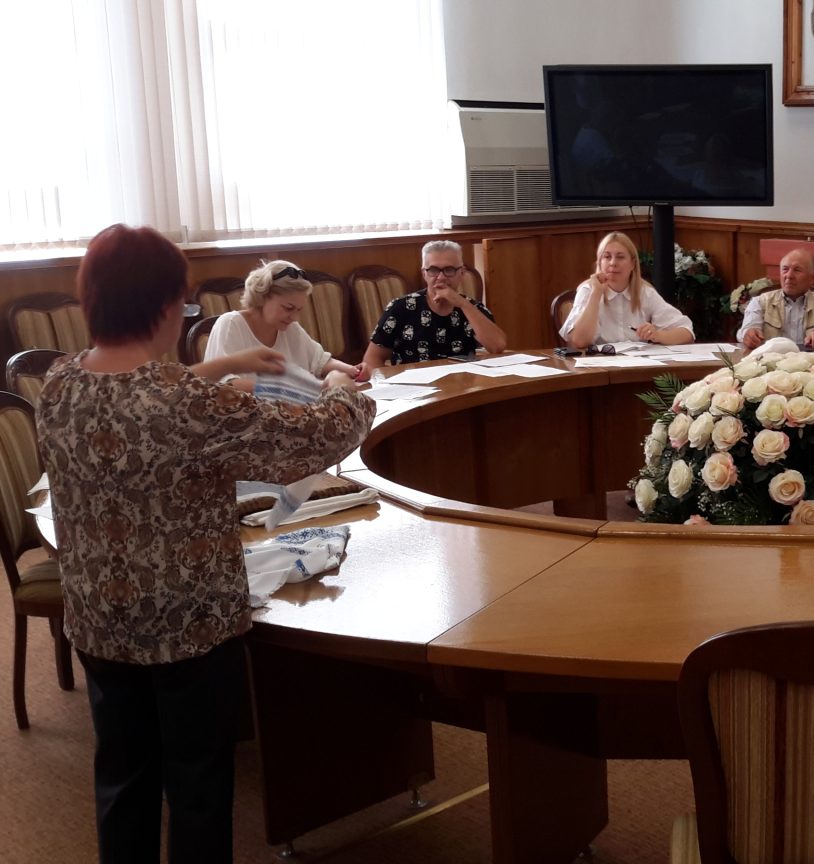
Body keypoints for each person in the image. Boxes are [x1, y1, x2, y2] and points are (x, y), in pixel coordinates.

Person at [34, 224, 375, 864]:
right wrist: (344, 392)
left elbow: (137, 392)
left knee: (123, 777)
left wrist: (219, 365)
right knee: (196, 786)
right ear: (166, 307)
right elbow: (312, 441)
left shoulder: (59, 385)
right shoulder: (185, 404)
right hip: (187, 624)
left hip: (100, 616)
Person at [204, 260, 362, 389]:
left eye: (299, 310)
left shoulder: (289, 328)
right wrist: (289, 390)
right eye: (288, 308)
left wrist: (353, 370)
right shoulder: (231, 325)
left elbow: (320, 362)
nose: (294, 317)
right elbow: (225, 385)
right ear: (263, 297)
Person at [364, 240, 507, 370]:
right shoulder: (400, 307)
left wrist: (462, 304)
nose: (441, 277)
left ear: (462, 273)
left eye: (449, 270)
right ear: (424, 274)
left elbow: (497, 346)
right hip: (415, 384)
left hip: (462, 383)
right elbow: (372, 358)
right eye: (433, 270)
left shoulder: (472, 308)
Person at [561, 232, 694, 348]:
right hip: (599, 364)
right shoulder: (588, 290)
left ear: (632, 263)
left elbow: (687, 333)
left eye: (620, 257)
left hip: (639, 364)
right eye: (607, 257)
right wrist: (596, 294)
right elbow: (579, 341)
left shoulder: (645, 292)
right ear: (599, 262)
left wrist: (658, 335)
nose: (613, 263)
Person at [737, 248, 814, 351]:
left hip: (809, 361)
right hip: (769, 360)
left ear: (812, 278)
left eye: (797, 270)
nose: (789, 275)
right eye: (785, 269)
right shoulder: (760, 302)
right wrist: (748, 335)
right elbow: (745, 331)